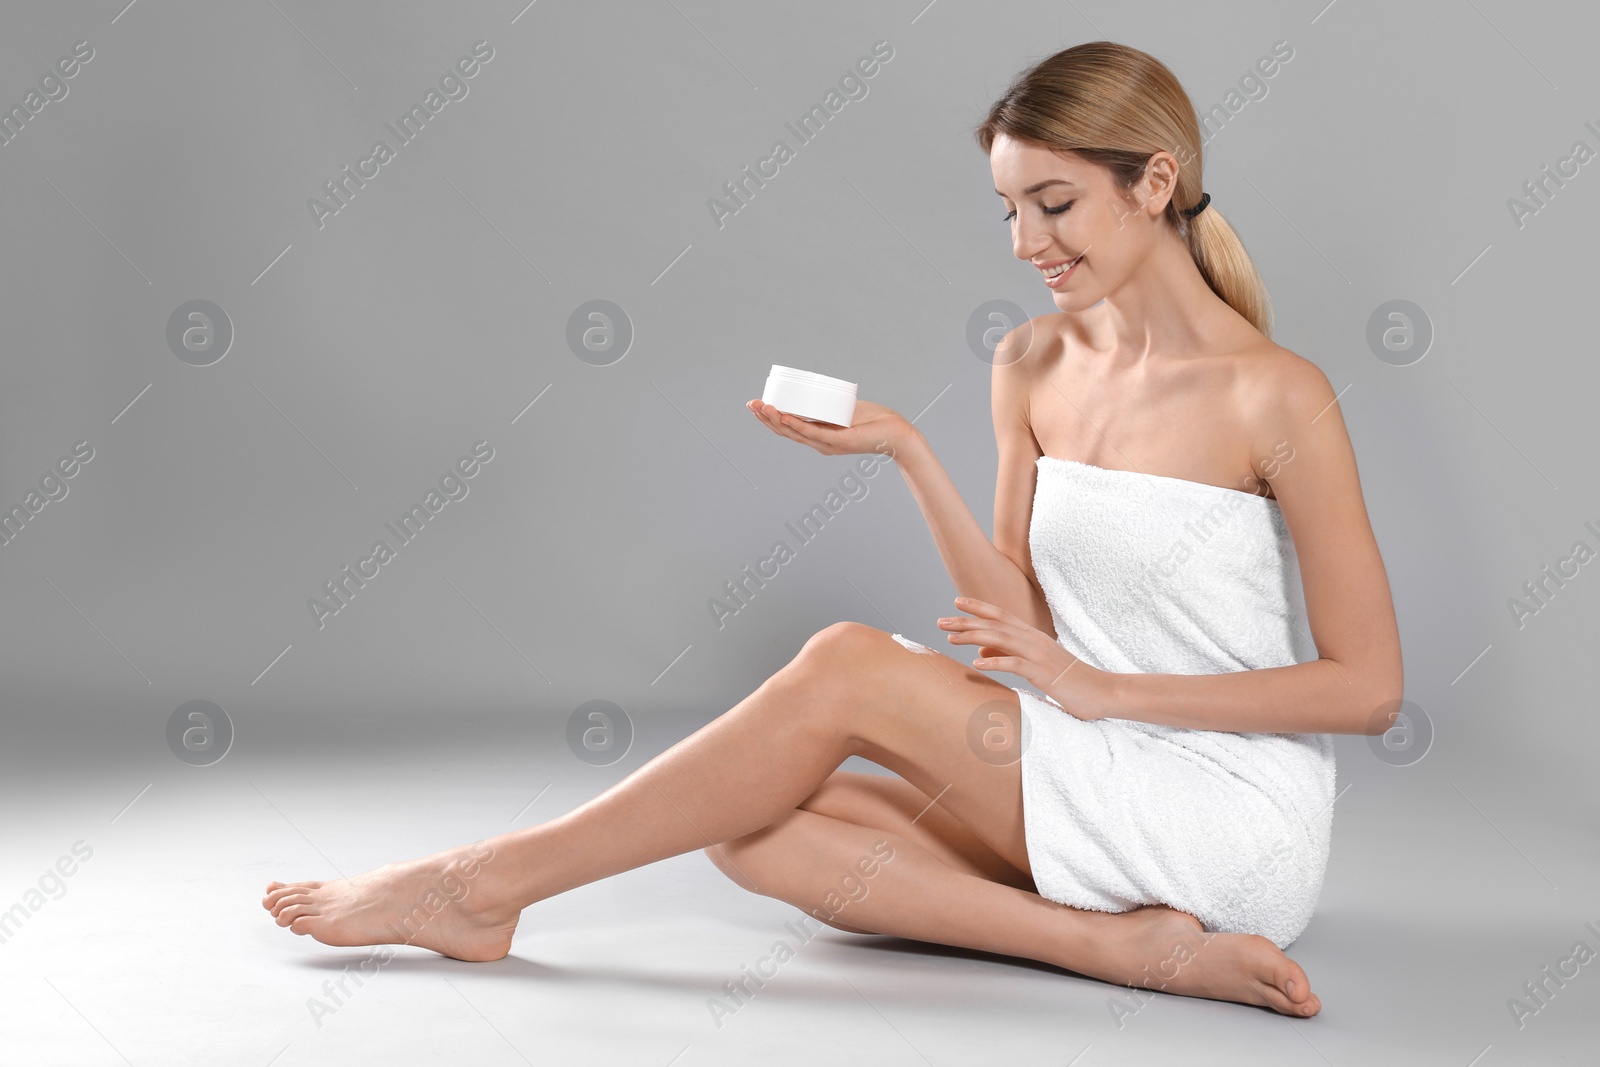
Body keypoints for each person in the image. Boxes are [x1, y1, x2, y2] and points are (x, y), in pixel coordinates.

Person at [264, 40, 1402, 1019]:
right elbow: (1018, 626)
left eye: (1052, 204)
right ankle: (1112, 943)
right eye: (1008, 208)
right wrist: (909, 453)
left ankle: (481, 882)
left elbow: (1367, 687)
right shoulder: (1030, 364)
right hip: (1086, 752)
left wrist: (1109, 693)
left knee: (846, 664)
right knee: (750, 819)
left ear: (1153, 182)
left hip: (1228, 810)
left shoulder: (1273, 392)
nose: (1023, 241)